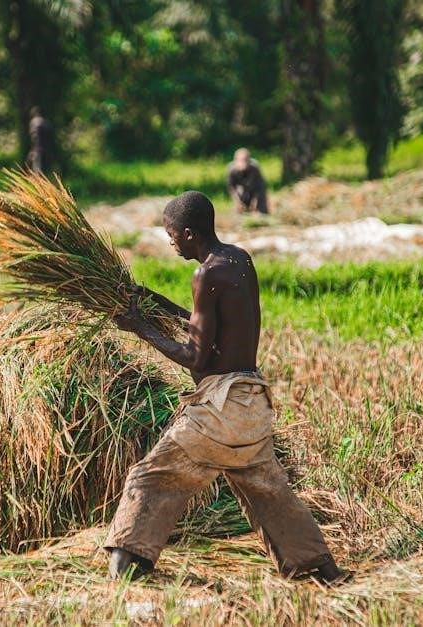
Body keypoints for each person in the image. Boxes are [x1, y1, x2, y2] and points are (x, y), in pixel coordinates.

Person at [107, 191, 344, 584]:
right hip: (252, 403)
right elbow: (213, 328)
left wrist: (140, 328)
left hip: (220, 410)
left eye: (172, 235)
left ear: (188, 234)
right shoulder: (238, 259)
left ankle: (123, 570)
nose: (170, 242)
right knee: (270, 493)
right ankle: (323, 568)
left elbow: (195, 355)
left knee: (150, 477)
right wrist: (155, 303)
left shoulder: (206, 275)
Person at [227, 148, 268, 214]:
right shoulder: (231, 169)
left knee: (260, 207)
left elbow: (259, 186)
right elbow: (232, 188)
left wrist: (255, 200)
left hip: (254, 187)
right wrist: (237, 202)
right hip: (241, 189)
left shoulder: (255, 168)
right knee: (239, 204)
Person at [26, 106, 53, 174]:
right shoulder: (46, 122)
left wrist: (33, 150)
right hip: (47, 150)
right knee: (45, 172)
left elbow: (34, 137)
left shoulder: (33, 122)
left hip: (38, 151)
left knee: (37, 172)